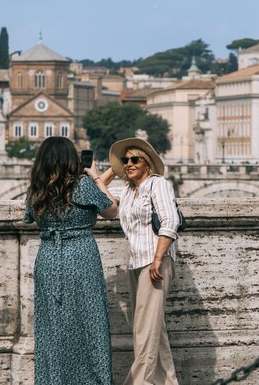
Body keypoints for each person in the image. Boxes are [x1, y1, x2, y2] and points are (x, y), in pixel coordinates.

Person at [23, 136, 119, 385]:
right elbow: (111, 209)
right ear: (71, 159)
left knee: (52, 327)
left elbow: (29, 218)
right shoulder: (83, 186)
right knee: (90, 324)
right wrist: (97, 177)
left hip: (48, 259)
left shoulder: (36, 189)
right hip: (81, 257)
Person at [108, 137, 181, 385]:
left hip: (155, 263)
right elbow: (102, 200)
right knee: (154, 331)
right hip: (136, 263)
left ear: (147, 163)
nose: (129, 164)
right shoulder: (128, 191)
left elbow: (170, 221)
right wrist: (108, 171)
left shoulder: (157, 184)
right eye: (125, 160)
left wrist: (158, 259)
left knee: (143, 332)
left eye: (135, 159)